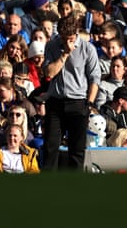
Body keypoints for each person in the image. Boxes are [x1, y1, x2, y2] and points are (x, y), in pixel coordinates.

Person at [43, 14, 100, 170]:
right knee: (50, 147)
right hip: (56, 102)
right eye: (63, 38)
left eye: (69, 38)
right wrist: (65, 54)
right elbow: (49, 73)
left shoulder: (88, 49)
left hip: (78, 103)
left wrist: (89, 104)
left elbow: (95, 79)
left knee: (77, 150)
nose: (66, 42)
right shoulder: (51, 46)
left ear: (76, 34)